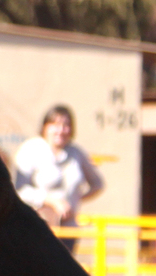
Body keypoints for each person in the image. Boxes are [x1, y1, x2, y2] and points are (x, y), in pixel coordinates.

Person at [13, 104, 105, 251]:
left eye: (66, 125)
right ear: (45, 127)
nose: (61, 130)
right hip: (36, 228)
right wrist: (52, 202)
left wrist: (75, 199)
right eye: (55, 124)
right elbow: (20, 190)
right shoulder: (31, 149)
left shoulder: (76, 153)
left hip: (68, 231)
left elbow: (98, 184)